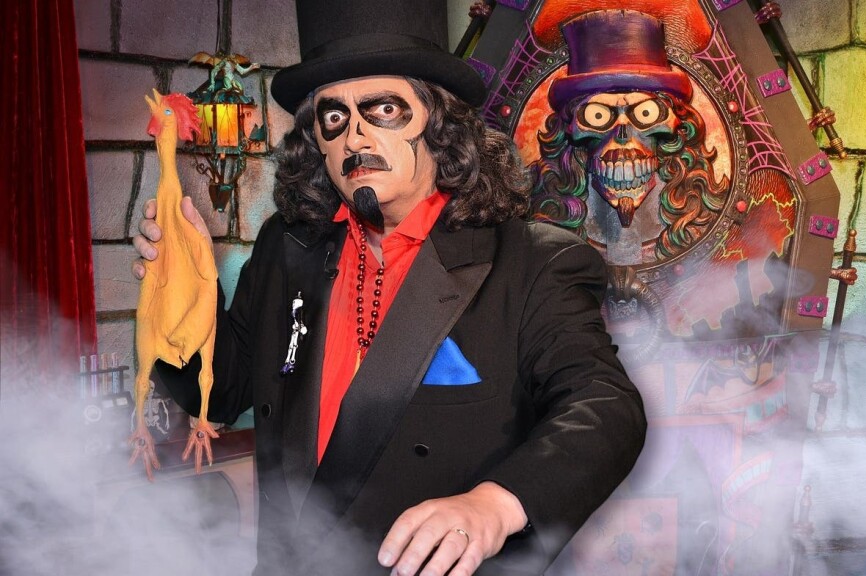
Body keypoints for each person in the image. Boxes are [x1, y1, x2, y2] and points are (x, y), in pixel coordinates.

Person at [132, 1, 647, 574]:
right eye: (334, 116)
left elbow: (605, 406)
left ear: (439, 122)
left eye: (383, 109)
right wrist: (180, 297)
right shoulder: (287, 247)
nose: (355, 136)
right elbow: (223, 392)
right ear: (317, 141)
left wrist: (496, 505)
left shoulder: (534, 263)